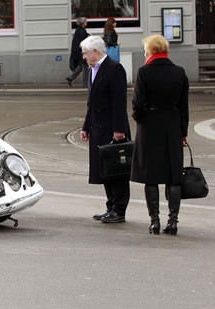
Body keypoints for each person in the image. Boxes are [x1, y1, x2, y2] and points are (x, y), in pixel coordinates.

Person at [130, 35, 189, 235]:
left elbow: (137, 104)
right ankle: (173, 221)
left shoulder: (144, 72)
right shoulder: (179, 72)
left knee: (151, 175)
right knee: (173, 175)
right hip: (173, 125)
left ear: (150, 51)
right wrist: (183, 132)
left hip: (150, 126)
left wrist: (141, 119)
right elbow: (184, 107)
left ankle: (154, 221)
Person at [79, 35, 131, 223]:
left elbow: (119, 101)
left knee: (117, 170)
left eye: (85, 53)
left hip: (112, 128)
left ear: (95, 52)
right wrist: (86, 126)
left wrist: (119, 129)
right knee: (105, 170)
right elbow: (91, 102)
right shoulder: (92, 69)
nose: (83, 57)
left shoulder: (114, 68)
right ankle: (110, 207)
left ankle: (119, 209)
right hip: (98, 127)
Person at [66, 17, 90, 87]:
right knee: (85, 66)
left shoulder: (78, 30)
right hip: (81, 51)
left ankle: (70, 78)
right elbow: (83, 41)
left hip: (78, 51)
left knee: (81, 66)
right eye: (86, 21)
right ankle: (85, 84)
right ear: (83, 23)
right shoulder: (82, 31)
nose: (86, 23)